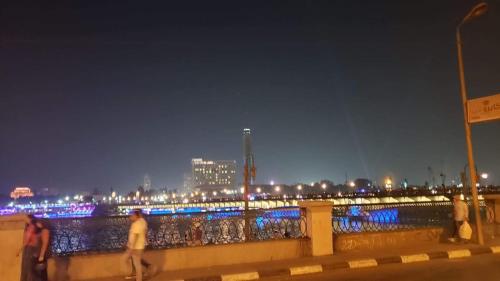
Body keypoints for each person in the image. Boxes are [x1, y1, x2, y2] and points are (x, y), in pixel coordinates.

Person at [121, 209, 154, 281]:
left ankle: (136, 276)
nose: (130, 217)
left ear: (136, 215)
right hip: (139, 246)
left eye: (132, 215)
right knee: (135, 261)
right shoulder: (143, 222)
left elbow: (135, 236)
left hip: (135, 247)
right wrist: (146, 241)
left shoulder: (136, 224)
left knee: (131, 261)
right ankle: (138, 274)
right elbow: (145, 232)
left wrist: (131, 247)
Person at [18, 214, 37, 281]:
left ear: (30, 219)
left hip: (29, 249)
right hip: (31, 248)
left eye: (26, 218)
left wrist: (19, 250)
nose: (24, 220)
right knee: (29, 268)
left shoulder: (31, 227)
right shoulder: (32, 227)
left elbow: (27, 240)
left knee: (27, 268)